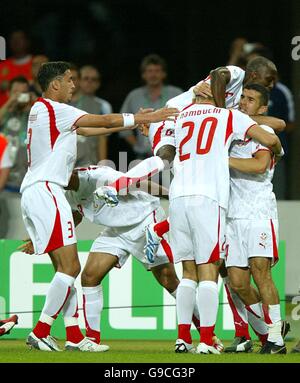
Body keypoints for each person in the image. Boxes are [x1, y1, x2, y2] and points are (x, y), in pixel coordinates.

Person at [19, 60, 178, 352]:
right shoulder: (55, 108)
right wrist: (151, 116)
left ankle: (75, 336)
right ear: (54, 84)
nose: (73, 85)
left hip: (35, 191)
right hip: (48, 190)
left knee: (63, 271)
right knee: (71, 267)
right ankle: (41, 330)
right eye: (69, 79)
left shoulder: (45, 112)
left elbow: (93, 130)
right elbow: (102, 121)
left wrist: (133, 118)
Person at [226, 83, 287, 354]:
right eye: (242, 98)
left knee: (261, 273)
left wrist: (222, 161)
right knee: (238, 282)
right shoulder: (231, 132)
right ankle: (269, 331)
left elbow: (260, 165)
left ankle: (276, 340)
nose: (243, 103)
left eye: (250, 100)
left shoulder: (266, 133)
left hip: (258, 213)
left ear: (262, 108)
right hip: (232, 214)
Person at [119, 54, 182, 160]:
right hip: (143, 156)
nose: (153, 75)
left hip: (172, 156)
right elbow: (123, 125)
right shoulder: (134, 96)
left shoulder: (176, 93)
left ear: (164, 74)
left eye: (157, 71)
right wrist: (136, 146)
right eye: (149, 71)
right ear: (143, 75)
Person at [70, 65, 113, 166]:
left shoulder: (102, 106)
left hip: (89, 161)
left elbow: (102, 138)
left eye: (93, 79)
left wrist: (103, 165)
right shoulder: (61, 102)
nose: (89, 82)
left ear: (98, 83)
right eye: (86, 78)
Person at [0, 76, 32, 192]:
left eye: (23, 92)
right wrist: (10, 101)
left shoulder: (34, 115)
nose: (19, 96)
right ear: (9, 93)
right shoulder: (4, 113)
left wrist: (34, 101)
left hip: (24, 182)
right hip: (3, 180)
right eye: (16, 92)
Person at [0, 30, 33, 107]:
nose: (16, 41)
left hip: (29, 114)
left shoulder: (36, 64)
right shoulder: (2, 66)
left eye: (20, 38)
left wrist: (10, 85)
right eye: (13, 39)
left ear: (27, 42)